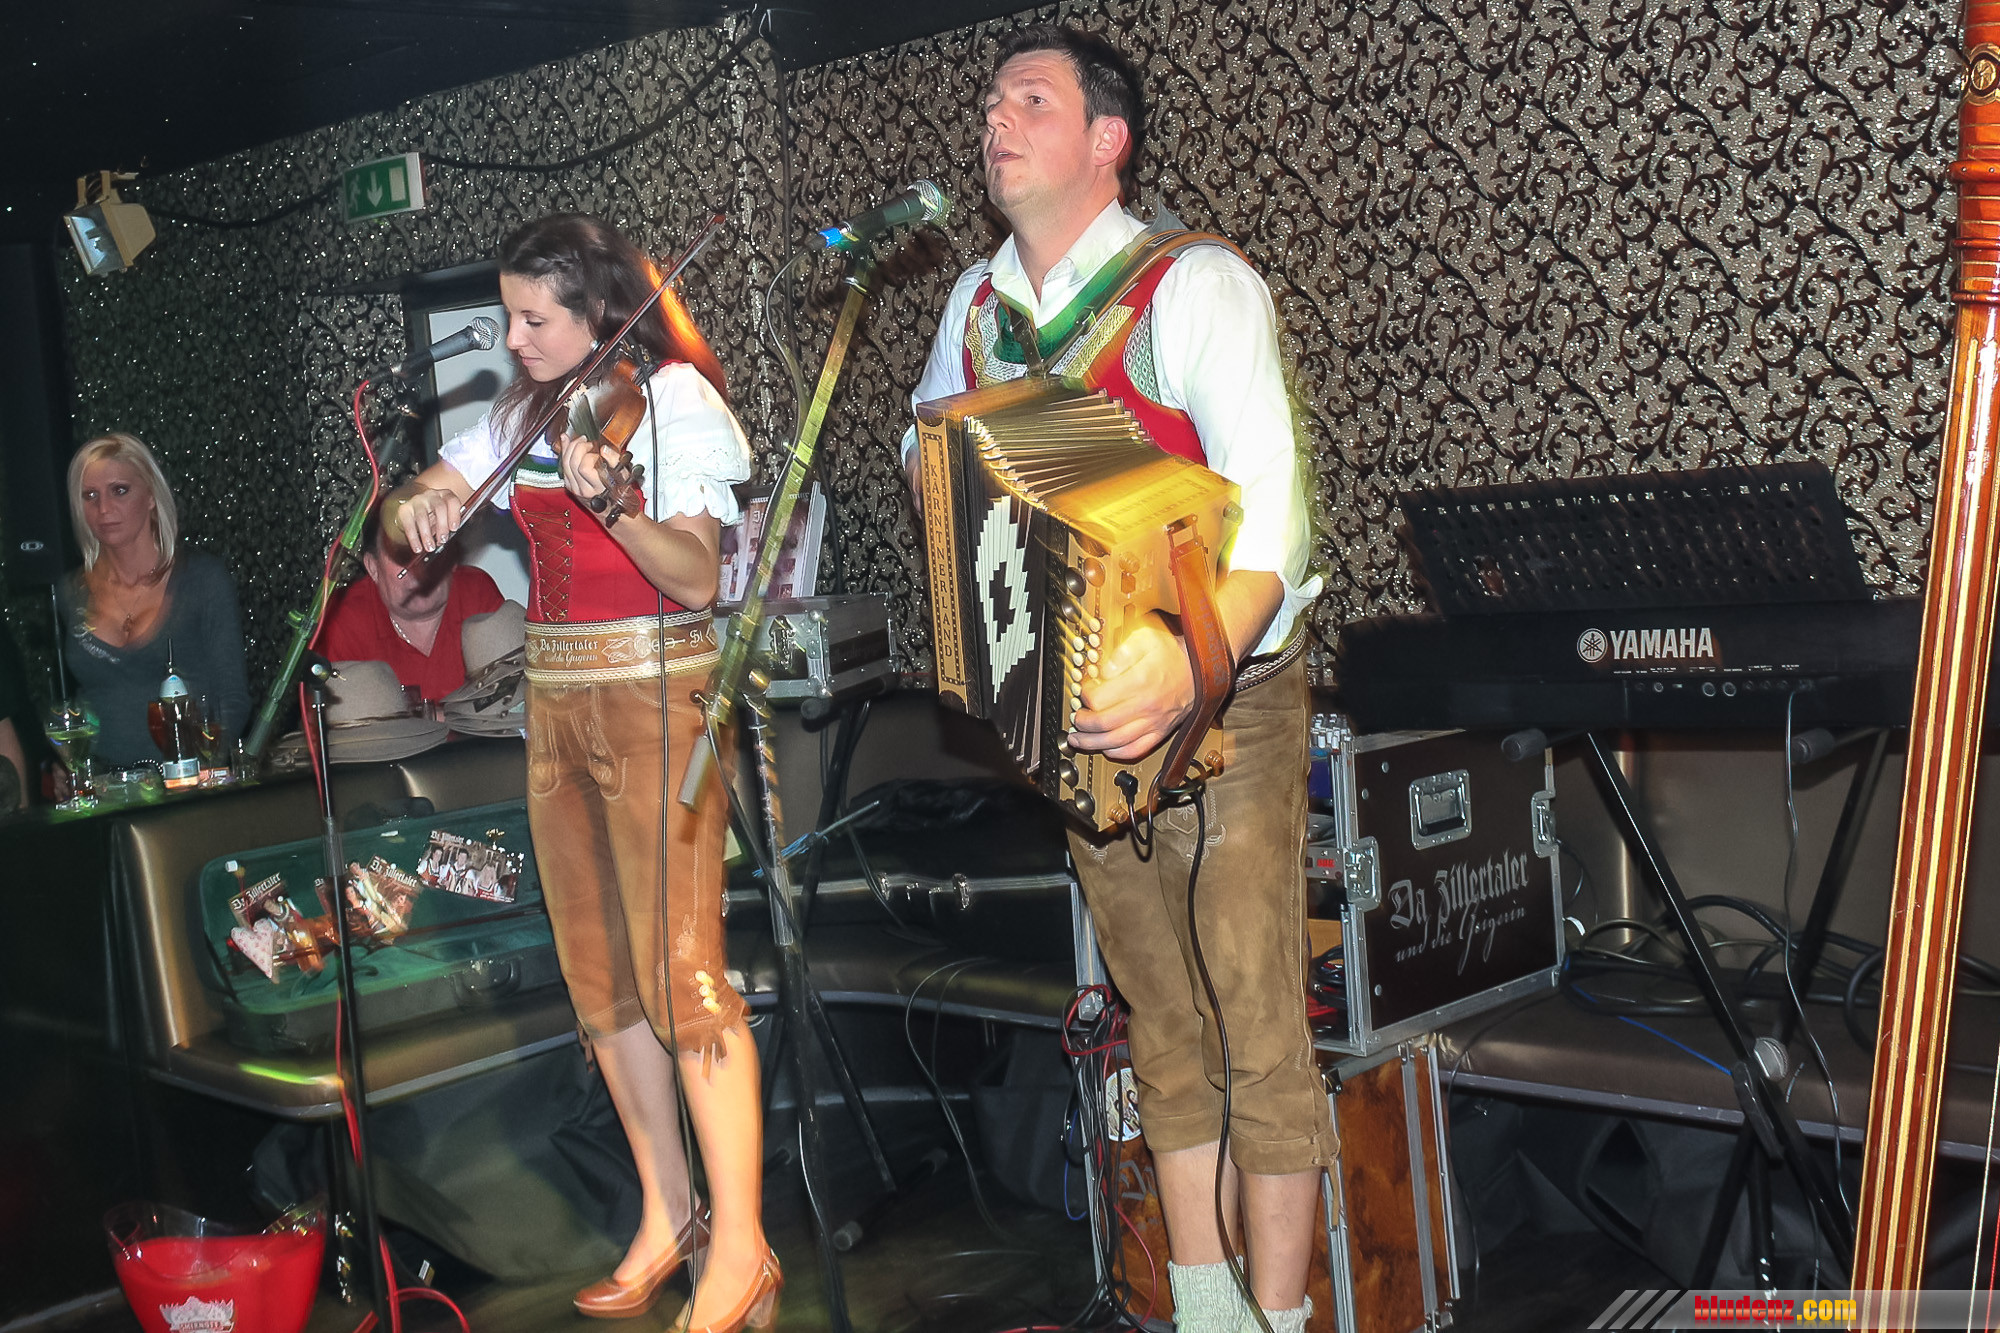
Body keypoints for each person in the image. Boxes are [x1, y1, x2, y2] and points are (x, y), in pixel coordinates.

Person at [902, 26, 1330, 1333]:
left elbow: (1276, 525)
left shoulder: (1194, 285)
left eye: (1031, 99)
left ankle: (1277, 1314)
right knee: (1159, 1016)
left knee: (1257, 1015)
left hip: (1231, 696)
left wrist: (1187, 661)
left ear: (1107, 141)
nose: (996, 118)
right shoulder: (975, 311)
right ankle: (1203, 1305)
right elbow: (930, 461)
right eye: (990, 101)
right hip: (1079, 716)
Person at [385, 214, 774, 1333]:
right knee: (601, 986)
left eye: (532, 317)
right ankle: (669, 1214)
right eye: (508, 315)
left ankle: (743, 1249)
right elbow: (421, 498)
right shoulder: (523, 414)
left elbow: (694, 578)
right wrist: (417, 503)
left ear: (599, 311)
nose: (513, 339)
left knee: (683, 979)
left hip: (659, 696)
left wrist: (618, 506)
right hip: (554, 707)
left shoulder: (675, 403)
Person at [57, 433, 251, 771]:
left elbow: (232, 699)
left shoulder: (202, 580)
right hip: (105, 786)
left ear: (150, 495)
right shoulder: (71, 590)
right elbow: (78, 701)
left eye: (119, 490)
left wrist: (200, 774)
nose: (104, 509)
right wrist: (66, 766)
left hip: (187, 780)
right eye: (90, 495)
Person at [316, 498, 504, 702]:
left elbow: (505, 698)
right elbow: (347, 716)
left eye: (429, 549)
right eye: (402, 554)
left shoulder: (477, 592)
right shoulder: (343, 618)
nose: (417, 568)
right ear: (373, 568)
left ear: (452, 557)